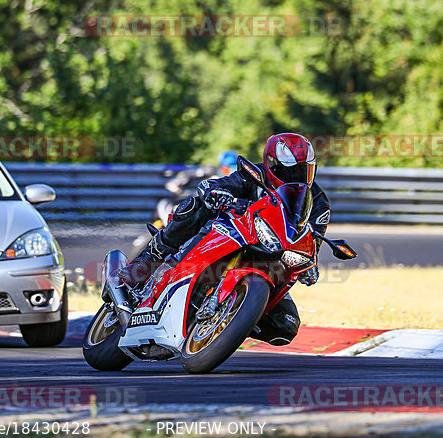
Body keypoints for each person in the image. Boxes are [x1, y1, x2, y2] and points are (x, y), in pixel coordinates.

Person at [119, 133, 331, 346]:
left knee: (285, 326)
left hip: (272, 258)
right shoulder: (253, 174)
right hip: (231, 234)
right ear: (271, 164)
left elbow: (313, 242)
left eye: (302, 171)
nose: (295, 176)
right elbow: (217, 185)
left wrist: (310, 263)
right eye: (289, 170)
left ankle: (231, 320)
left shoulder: (319, 203)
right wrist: (216, 192)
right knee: (195, 206)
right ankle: (149, 258)